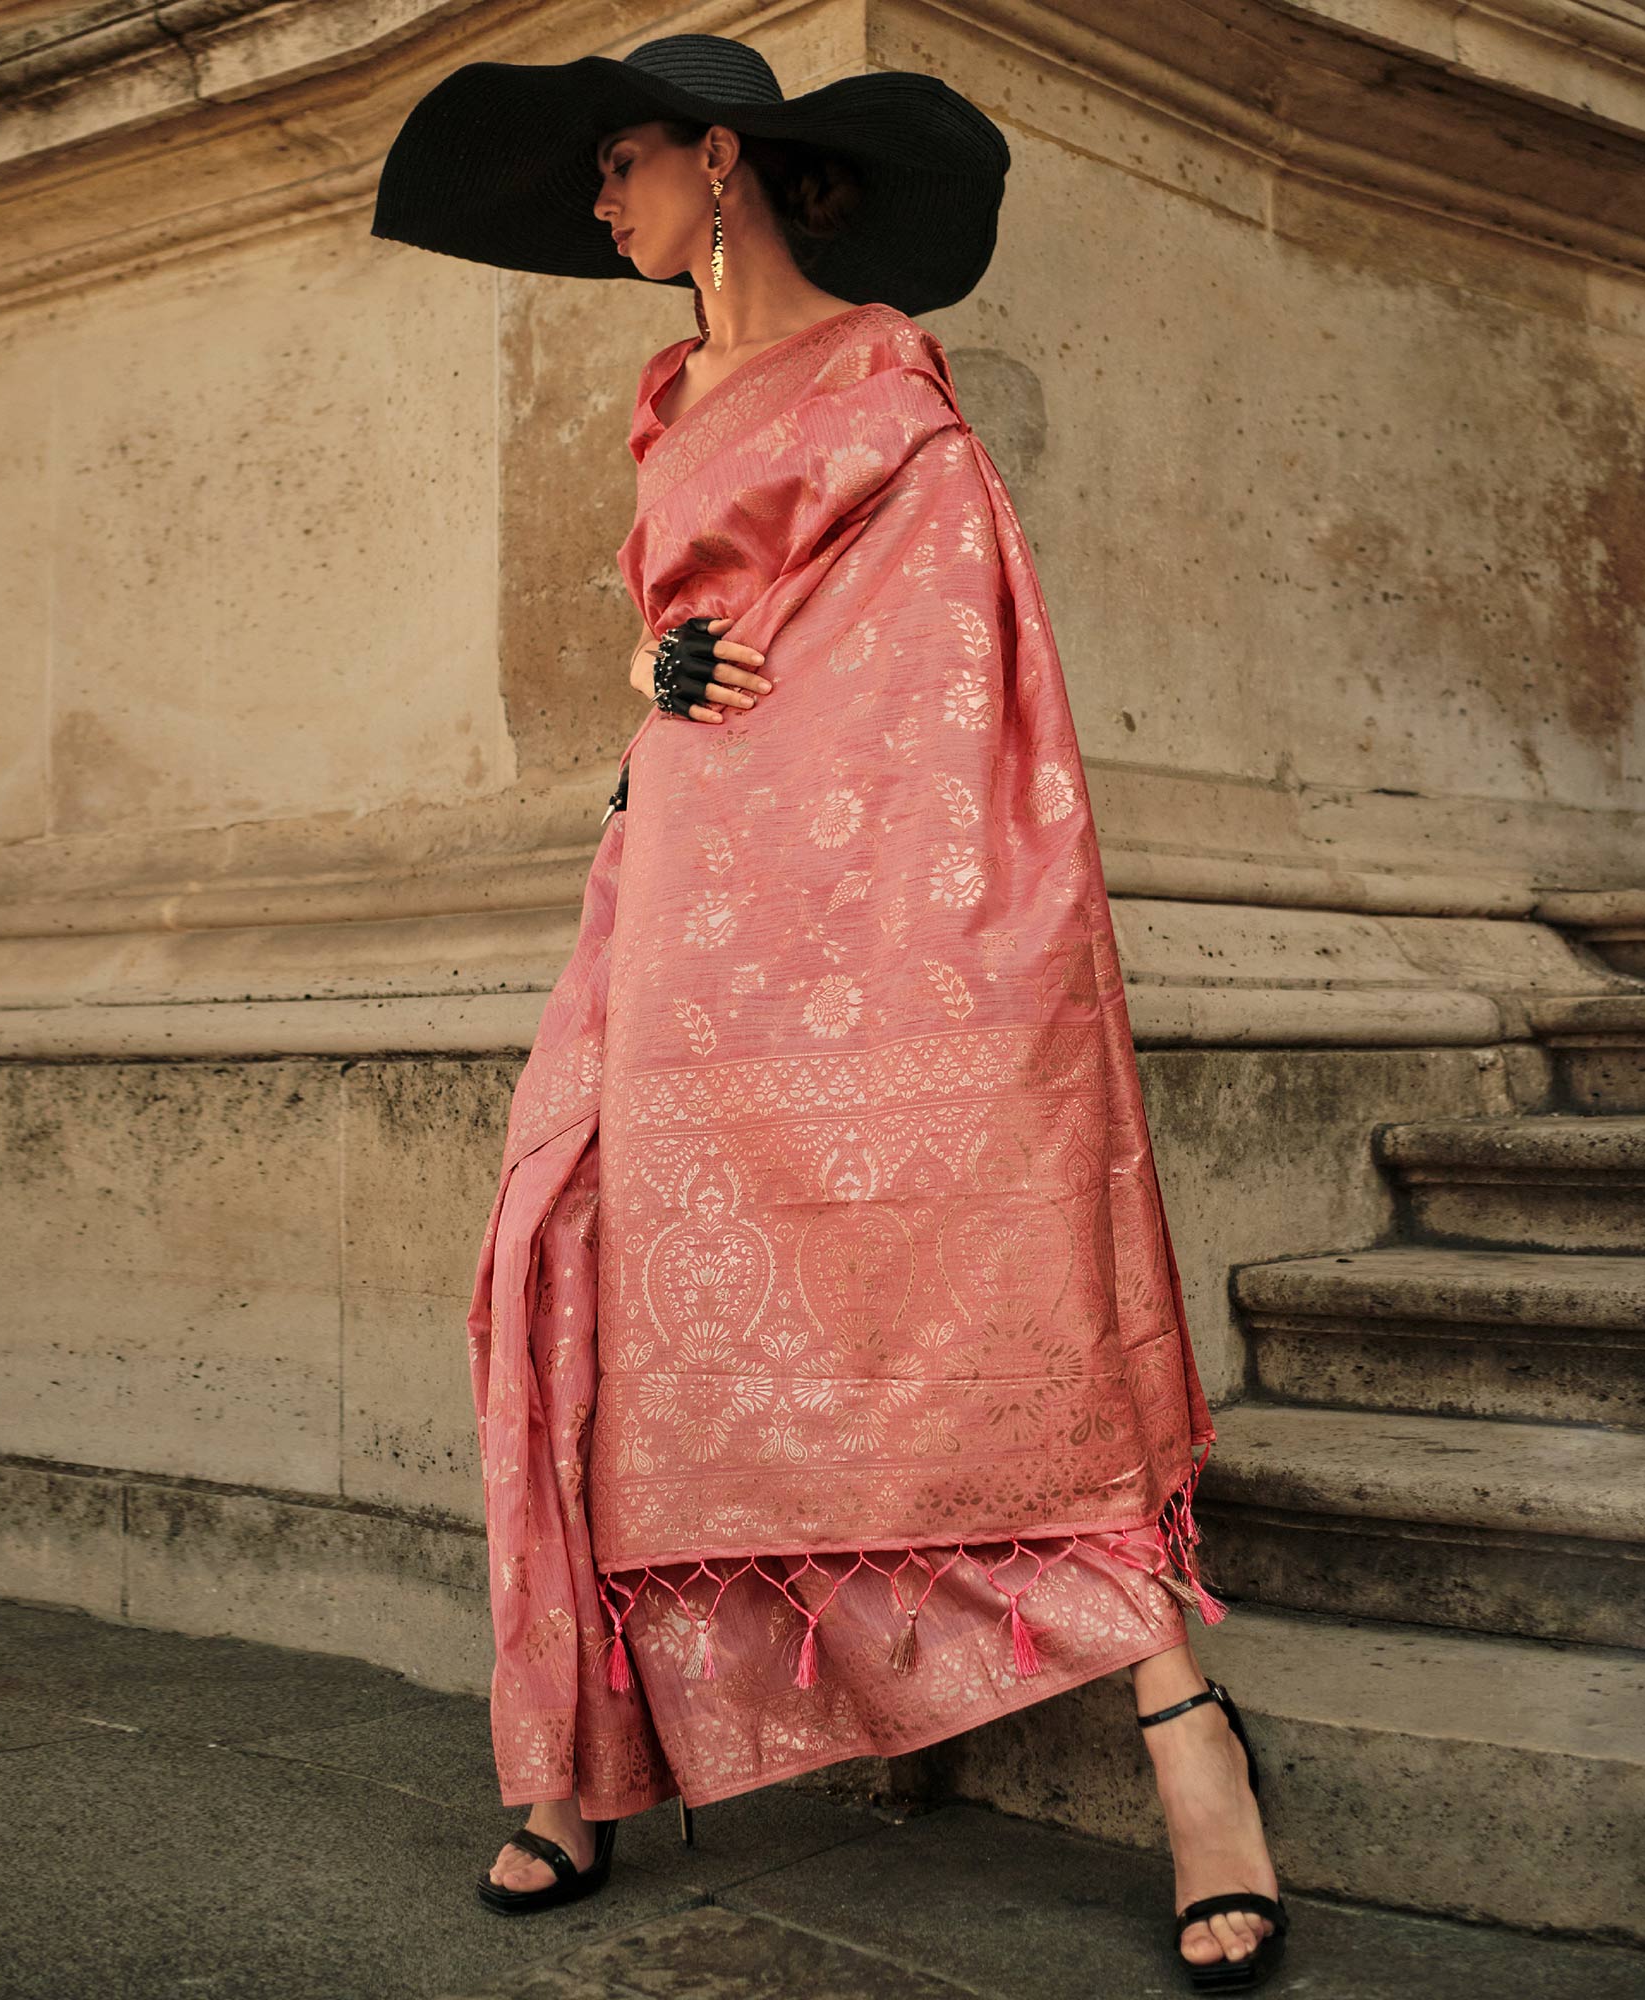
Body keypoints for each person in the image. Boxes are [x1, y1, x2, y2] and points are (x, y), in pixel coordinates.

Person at [371, 32, 1289, 1988]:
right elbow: (685, 613)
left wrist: (770, 688)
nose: (596, 203)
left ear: (724, 160)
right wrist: (655, 662)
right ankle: (580, 1753)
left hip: (860, 887)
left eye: (619, 163)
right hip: (678, 879)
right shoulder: (662, 393)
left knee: (979, 1271)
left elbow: (952, 638)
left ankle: (1193, 1750)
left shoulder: (880, 374)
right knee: (563, 1240)